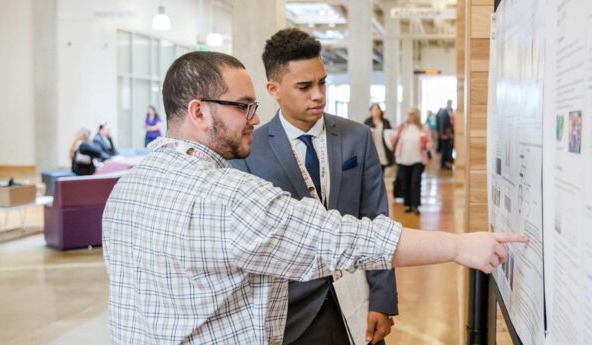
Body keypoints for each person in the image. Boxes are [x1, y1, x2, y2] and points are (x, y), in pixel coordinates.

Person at [103, 51, 527, 344]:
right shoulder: (226, 197)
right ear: (199, 112)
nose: (254, 119)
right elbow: (341, 239)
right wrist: (459, 245)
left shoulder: (126, 190)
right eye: (243, 107)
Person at [230, 29, 397, 345]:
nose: (318, 95)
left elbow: (377, 219)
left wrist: (382, 298)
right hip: (288, 314)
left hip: (357, 302)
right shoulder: (250, 152)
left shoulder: (357, 138)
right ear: (274, 89)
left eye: (322, 83)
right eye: (304, 87)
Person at [392, 108, 432, 215]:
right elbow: (394, 139)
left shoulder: (424, 128)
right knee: (405, 183)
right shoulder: (403, 127)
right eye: (408, 114)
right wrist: (397, 131)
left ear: (417, 115)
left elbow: (430, 143)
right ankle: (408, 204)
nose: (410, 116)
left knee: (415, 182)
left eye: (412, 114)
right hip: (403, 159)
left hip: (418, 159)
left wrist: (425, 146)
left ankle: (415, 205)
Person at [363, 103, 395, 173]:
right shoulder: (367, 122)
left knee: (381, 171)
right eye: (373, 109)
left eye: (377, 109)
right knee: (372, 170)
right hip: (371, 149)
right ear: (370, 111)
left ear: (380, 111)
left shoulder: (386, 122)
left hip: (383, 149)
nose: (375, 111)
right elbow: (363, 135)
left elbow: (390, 133)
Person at [435, 100, 454, 170]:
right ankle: (443, 165)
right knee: (444, 150)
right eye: (450, 103)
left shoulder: (446, 111)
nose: (451, 105)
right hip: (444, 135)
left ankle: (444, 164)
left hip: (445, 134)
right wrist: (443, 133)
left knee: (445, 150)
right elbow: (443, 124)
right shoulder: (444, 112)